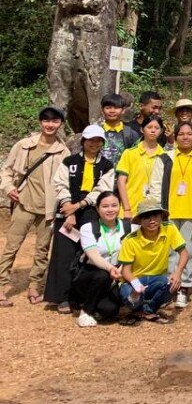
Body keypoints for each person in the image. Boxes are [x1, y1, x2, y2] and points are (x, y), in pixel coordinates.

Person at [0, 105, 69, 306]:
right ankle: (2, 285)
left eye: (55, 121)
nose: (50, 124)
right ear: (40, 122)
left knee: (42, 249)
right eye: (46, 120)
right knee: (11, 246)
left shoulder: (62, 151)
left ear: (60, 124)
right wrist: (8, 188)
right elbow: (6, 170)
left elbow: (63, 180)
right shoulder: (23, 145)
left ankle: (34, 287)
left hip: (48, 208)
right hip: (23, 203)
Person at [46, 124, 115, 312]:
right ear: (83, 141)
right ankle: (62, 297)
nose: (94, 144)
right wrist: (69, 208)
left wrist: (78, 207)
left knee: (87, 253)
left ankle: (82, 295)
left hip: (90, 212)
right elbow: (60, 184)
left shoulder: (106, 166)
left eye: (98, 140)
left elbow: (102, 189)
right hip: (66, 209)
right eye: (91, 140)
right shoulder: (69, 162)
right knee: (64, 253)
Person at [152, 121, 192, 309]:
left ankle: (184, 287)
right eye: (181, 134)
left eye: (189, 134)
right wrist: (156, 211)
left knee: (189, 251)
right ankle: (170, 287)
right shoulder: (165, 157)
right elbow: (156, 185)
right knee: (169, 252)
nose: (185, 137)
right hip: (169, 211)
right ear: (175, 137)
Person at [117, 200, 190, 324]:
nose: (152, 221)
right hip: (134, 280)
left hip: (157, 278)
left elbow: (184, 253)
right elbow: (126, 271)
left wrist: (177, 273)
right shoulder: (130, 240)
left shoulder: (169, 228)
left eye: (155, 216)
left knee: (172, 286)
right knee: (128, 296)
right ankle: (139, 308)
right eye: (146, 217)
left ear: (161, 216)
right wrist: (136, 286)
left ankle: (147, 310)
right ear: (140, 220)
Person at [72, 191, 126, 326]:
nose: (110, 210)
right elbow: (94, 256)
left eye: (114, 205)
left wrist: (120, 269)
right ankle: (86, 311)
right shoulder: (88, 228)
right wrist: (111, 268)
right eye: (105, 206)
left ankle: (95, 304)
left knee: (110, 310)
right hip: (90, 274)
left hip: (115, 277)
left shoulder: (128, 227)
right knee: (103, 275)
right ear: (97, 209)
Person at [114, 115, 166, 224]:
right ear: (142, 129)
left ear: (161, 131)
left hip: (154, 212)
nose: (153, 131)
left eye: (156, 128)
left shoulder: (165, 156)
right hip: (131, 209)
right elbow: (121, 182)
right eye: (149, 127)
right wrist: (127, 209)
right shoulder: (129, 153)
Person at [98, 94, 140, 164]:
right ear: (102, 110)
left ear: (123, 110)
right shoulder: (96, 132)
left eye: (116, 108)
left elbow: (136, 158)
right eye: (108, 108)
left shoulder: (131, 134)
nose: (112, 111)